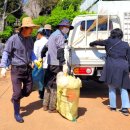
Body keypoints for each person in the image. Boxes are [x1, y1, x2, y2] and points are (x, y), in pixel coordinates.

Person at [0, 17, 40, 123]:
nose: (32, 31)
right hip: (16, 70)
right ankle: (17, 113)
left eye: (32, 28)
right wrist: (3, 67)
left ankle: (15, 99)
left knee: (28, 90)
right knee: (17, 93)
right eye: (30, 28)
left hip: (27, 69)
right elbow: (6, 52)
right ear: (24, 28)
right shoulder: (13, 39)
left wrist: (35, 59)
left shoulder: (31, 39)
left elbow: (31, 52)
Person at [90, 28, 130, 116]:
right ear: (121, 35)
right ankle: (125, 108)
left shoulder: (109, 41)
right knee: (123, 87)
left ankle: (113, 107)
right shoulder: (126, 44)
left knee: (111, 86)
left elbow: (98, 42)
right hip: (123, 66)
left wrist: (92, 43)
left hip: (111, 65)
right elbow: (129, 58)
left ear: (112, 34)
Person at [41, 19, 74, 113]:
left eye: (68, 27)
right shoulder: (59, 36)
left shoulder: (53, 34)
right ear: (61, 27)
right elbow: (60, 51)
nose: (67, 29)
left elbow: (45, 47)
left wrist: (42, 55)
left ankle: (45, 105)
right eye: (66, 27)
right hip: (56, 64)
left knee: (47, 84)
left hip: (50, 63)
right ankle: (52, 107)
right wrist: (63, 63)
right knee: (55, 85)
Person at [33, 28, 48, 99]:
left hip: (39, 63)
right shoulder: (48, 41)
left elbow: (35, 54)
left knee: (40, 79)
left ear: (39, 34)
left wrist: (33, 63)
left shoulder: (37, 42)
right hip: (48, 63)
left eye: (37, 34)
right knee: (46, 79)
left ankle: (41, 94)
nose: (36, 36)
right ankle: (46, 94)